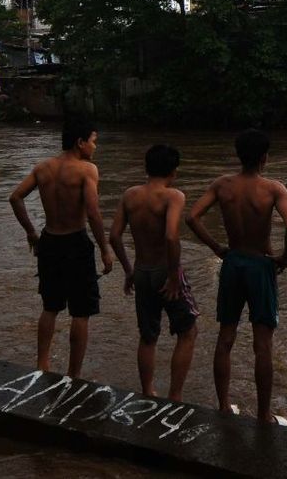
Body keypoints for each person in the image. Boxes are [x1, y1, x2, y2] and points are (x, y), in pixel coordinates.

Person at [185, 129, 287, 425]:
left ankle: (224, 405)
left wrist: (218, 248)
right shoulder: (274, 189)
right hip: (261, 264)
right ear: (264, 157)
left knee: (226, 337)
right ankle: (263, 415)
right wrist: (284, 259)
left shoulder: (222, 185)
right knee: (263, 344)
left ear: (239, 155)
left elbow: (191, 216)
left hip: (233, 261)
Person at [9, 117, 115, 378]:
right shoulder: (87, 170)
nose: (95, 147)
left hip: (49, 241)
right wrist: (104, 248)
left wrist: (32, 233)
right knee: (81, 312)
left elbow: (15, 197)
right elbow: (93, 213)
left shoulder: (43, 168)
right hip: (75, 242)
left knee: (50, 306)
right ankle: (73, 375)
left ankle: (42, 364)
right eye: (93, 142)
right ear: (80, 143)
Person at [108, 144, 199, 401]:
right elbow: (171, 237)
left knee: (148, 336)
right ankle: (175, 396)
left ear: (146, 168)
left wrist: (128, 270)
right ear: (173, 171)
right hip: (165, 271)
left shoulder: (130, 195)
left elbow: (114, 236)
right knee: (188, 331)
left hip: (142, 271)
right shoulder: (173, 196)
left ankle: (148, 391)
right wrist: (172, 276)